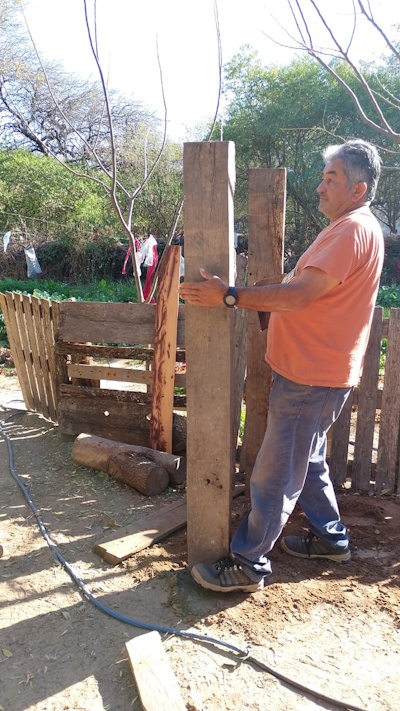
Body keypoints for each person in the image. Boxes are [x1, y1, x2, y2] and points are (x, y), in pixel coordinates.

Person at [179, 139, 384, 593]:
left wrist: (229, 296)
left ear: (358, 189)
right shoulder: (351, 227)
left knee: (275, 474)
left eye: (331, 179)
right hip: (315, 371)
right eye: (323, 178)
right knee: (306, 458)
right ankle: (331, 539)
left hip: (312, 376)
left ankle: (248, 564)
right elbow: (311, 291)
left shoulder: (351, 230)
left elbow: (300, 296)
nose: (320, 187)